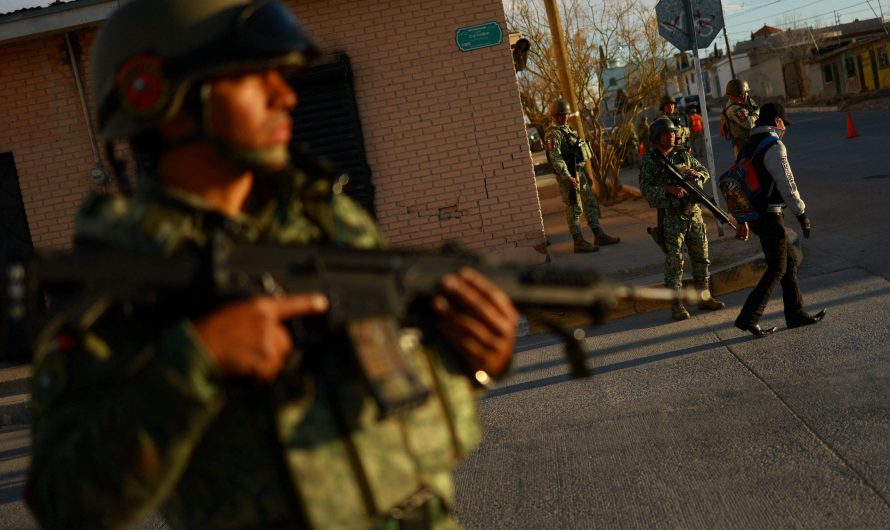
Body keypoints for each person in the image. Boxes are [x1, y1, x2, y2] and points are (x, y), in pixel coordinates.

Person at [25, 1, 519, 529]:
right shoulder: (125, 272)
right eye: (252, 80)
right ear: (165, 99)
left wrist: (475, 359)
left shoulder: (325, 215)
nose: (286, 96)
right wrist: (197, 361)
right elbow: (64, 502)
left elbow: (383, 373)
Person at [732, 103, 826, 337]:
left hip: (755, 214)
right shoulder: (773, 146)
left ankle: (795, 314)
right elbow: (787, 183)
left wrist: (741, 219)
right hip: (770, 214)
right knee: (778, 267)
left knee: (789, 263)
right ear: (777, 121)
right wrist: (801, 213)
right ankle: (748, 318)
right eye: (784, 123)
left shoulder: (747, 147)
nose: (785, 129)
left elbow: (737, 185)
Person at [639, 117, 725, 321]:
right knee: (675, 262)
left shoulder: (683, 154)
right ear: (656, 137)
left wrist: (698, 175)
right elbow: (646, 190)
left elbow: (704, 171)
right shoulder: (651, 162)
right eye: (666, 133)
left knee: (701, 257)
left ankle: (704, 297)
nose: (671, 135)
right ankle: (677, 305)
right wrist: (668, 189)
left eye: (673, 132)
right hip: (671, 218)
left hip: (693, 214)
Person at [544, 99, 620, 253]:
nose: (563, 118)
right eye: (560, 115)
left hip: (579, 172)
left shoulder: (568, 130)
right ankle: (578, 241)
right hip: (568, 176)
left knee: (590, 202)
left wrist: (584, 173)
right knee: (574, 207)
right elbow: (556, 158)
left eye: (565, 115)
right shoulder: (553, 134)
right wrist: (567, 176)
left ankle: (598, 234)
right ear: (554, 116)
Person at [720, 79, 759, 157]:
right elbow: (749, 123)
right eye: (746, 92)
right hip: (742, 145)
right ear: (739, 94)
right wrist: (757, 113)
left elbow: (753, 106)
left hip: (748, 142)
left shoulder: (739, 102)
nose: (747, 94)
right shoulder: (735, 109)